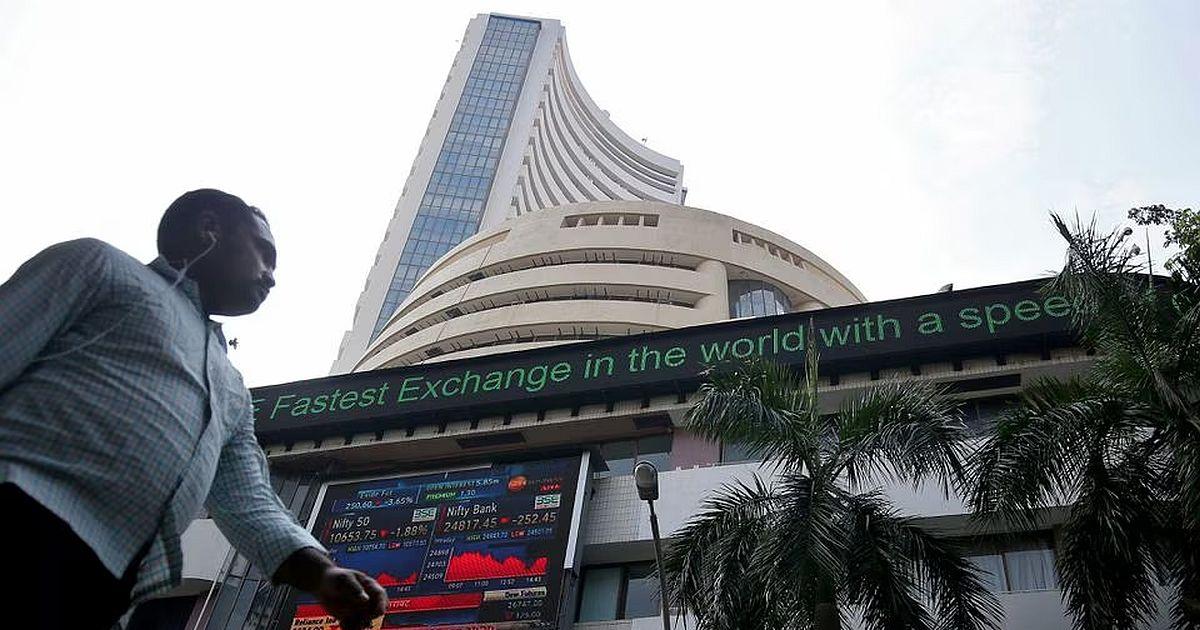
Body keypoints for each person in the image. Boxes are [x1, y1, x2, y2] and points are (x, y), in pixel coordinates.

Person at [0, 189, 387, 629]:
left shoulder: (232, 389)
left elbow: (247, 498)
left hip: (104, 586)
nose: (271, 277)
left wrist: (321, 573)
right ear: (210, 229)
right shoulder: (101, 266)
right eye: (264, 253)